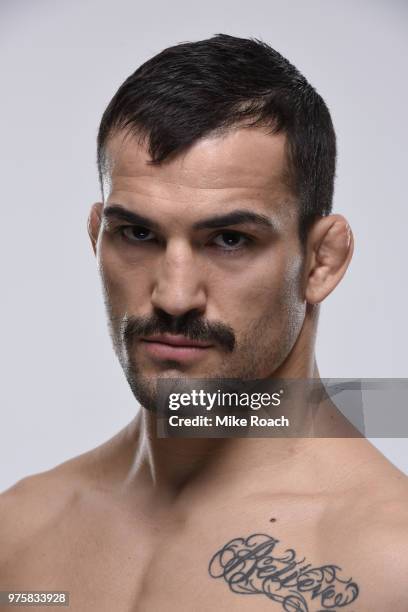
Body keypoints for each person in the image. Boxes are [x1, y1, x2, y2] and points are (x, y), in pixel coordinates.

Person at [1, 34, 407, 612]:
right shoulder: (19, 533)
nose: (174, 296)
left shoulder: (388, 566)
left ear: (322, 261)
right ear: (97, 237)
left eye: (230, 240)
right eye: (138, 234)